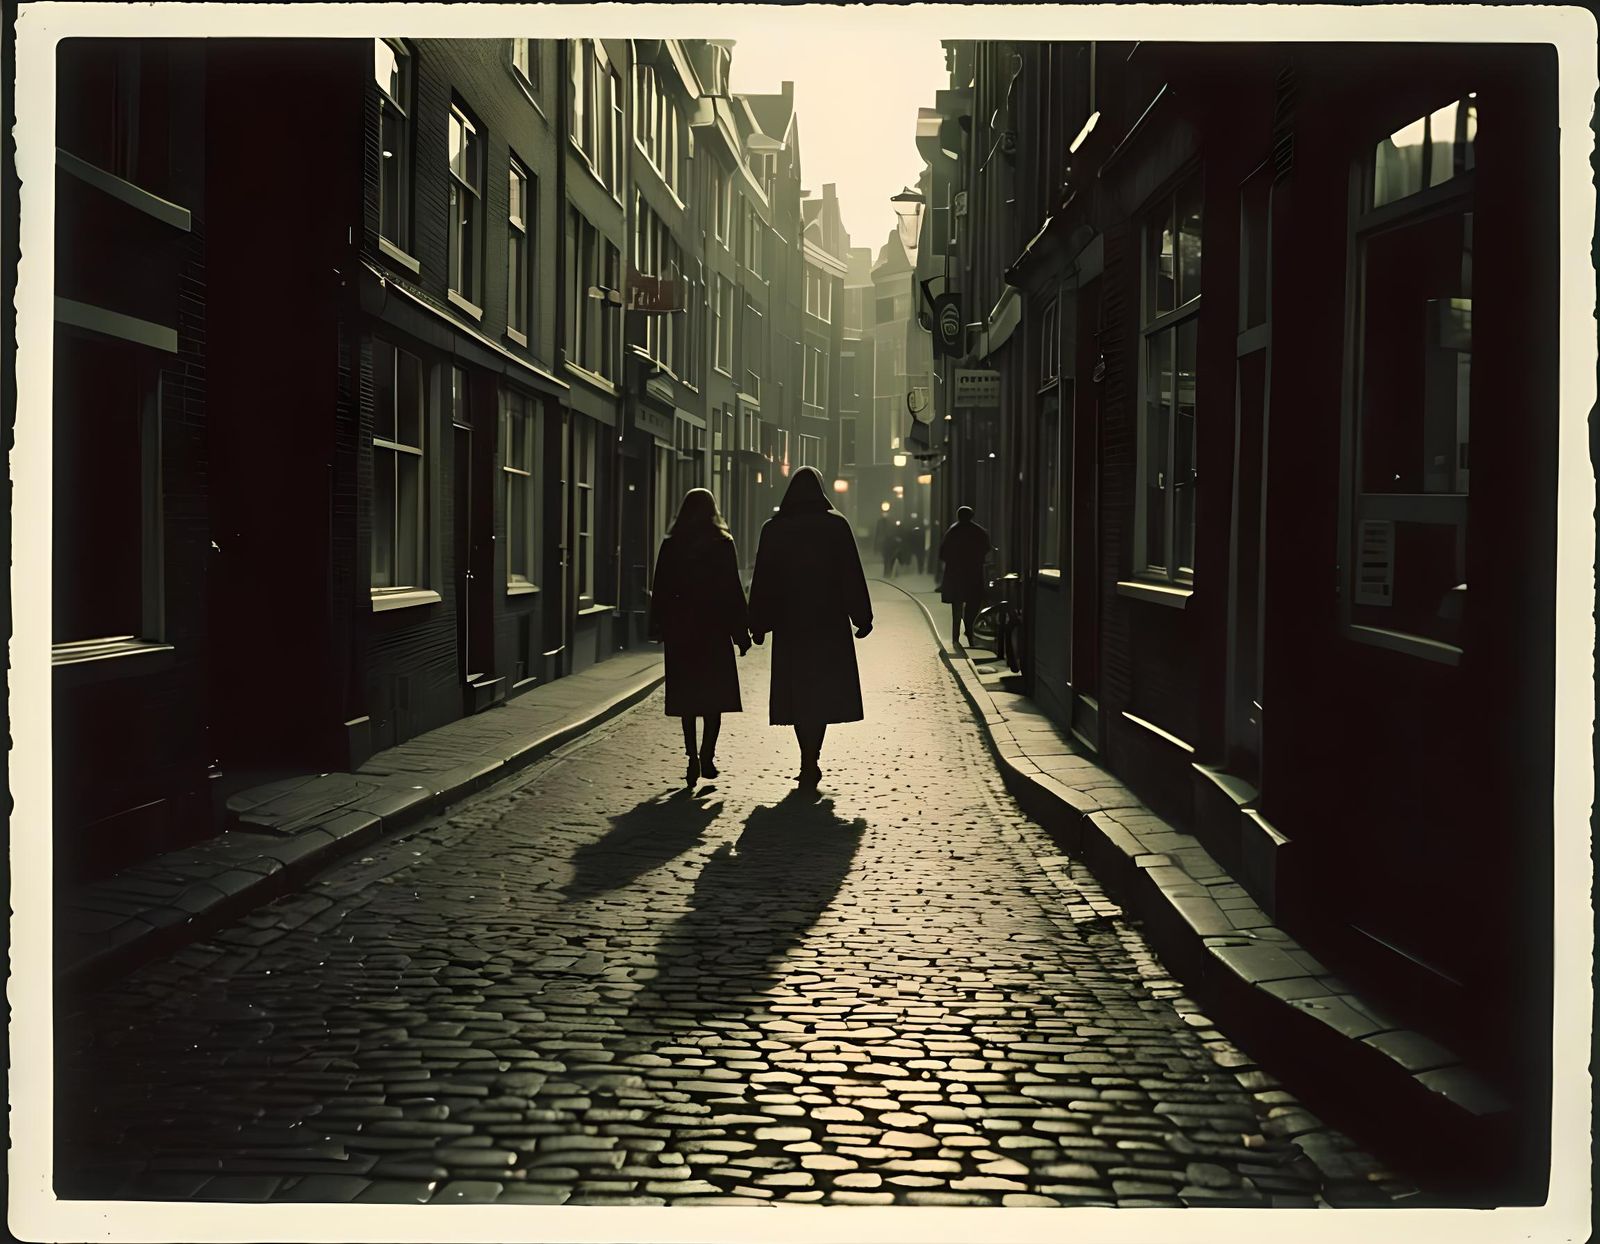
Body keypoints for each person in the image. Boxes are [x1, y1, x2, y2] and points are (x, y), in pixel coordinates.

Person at [747, 466, 873, 788]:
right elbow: (850, 574)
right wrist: (861, 617)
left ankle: (806, 756)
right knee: (822, 693)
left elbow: (763, 580)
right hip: (828, 624)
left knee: (798, 692)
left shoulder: (774, 529)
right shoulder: (836, 526)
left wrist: (758, 623)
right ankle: (812, 756)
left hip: (792, 626)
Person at [647, 488, 751, 787]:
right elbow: (733, 590)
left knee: (688, 699)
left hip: (682, 632)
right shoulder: (723, 544)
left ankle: (691, 755)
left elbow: (661, 587)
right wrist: (741, 632)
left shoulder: (671, 544)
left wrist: (658, 626)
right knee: (713, 699)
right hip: (713, 631)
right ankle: (708, 754)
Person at [939, 505, 991, 647]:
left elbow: (942, 553)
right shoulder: (979, 532)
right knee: (972, 606)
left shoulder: (952, 531)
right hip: (973, 575)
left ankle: (955, 637)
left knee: (956, 607)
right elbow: (987, 548)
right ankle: (970, 633)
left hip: (956, 576)